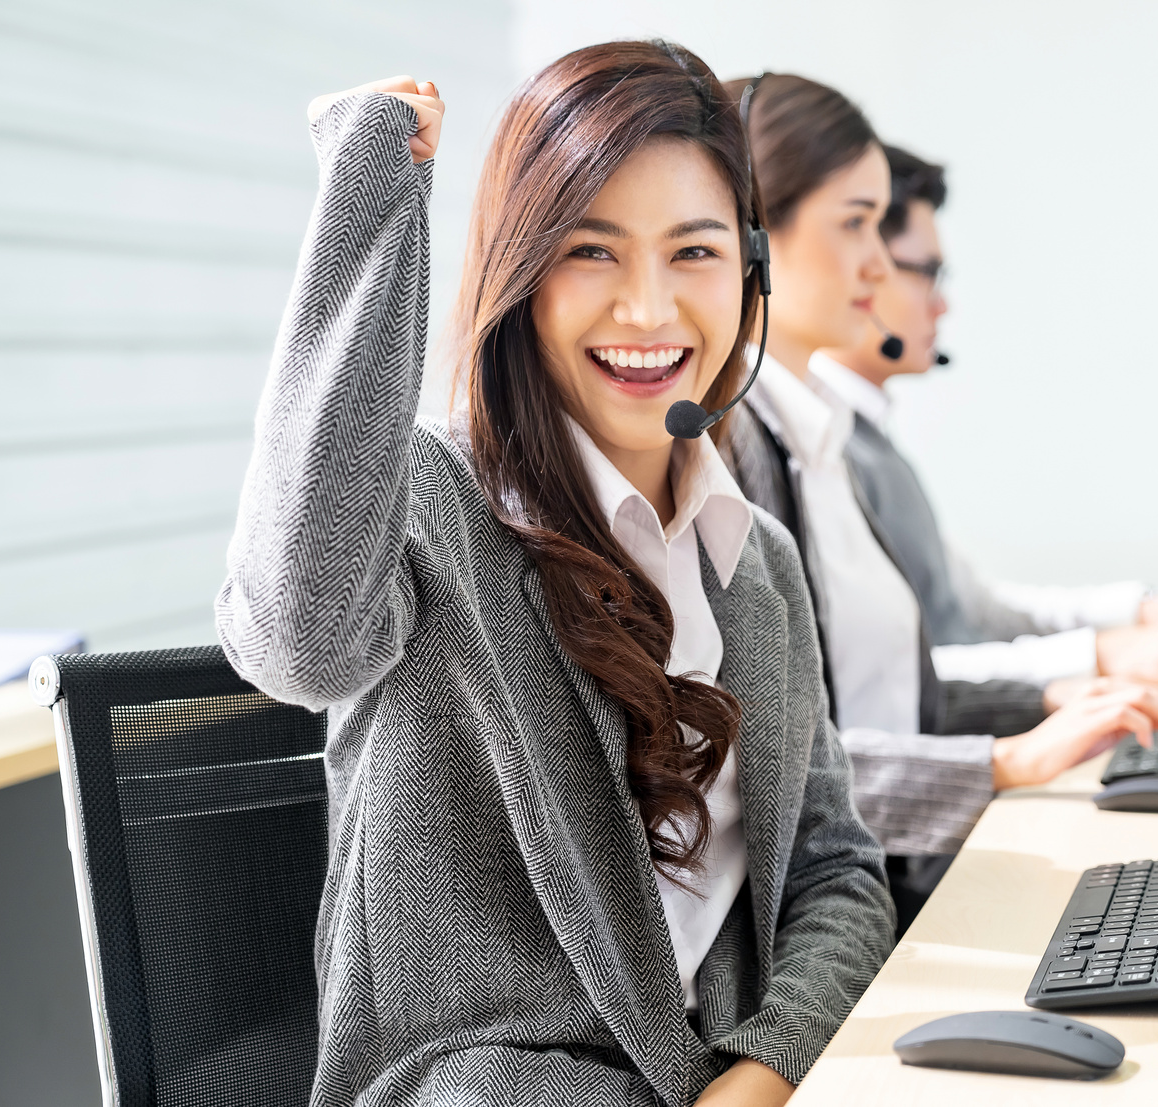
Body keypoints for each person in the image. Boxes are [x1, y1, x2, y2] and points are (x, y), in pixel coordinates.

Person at [215, 44, 893, 1107]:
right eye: (591, 252)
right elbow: (296, 638)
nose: (646, 311)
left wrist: (765, 1069)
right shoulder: (434, 504)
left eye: (695, 253)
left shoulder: (753, 557)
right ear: (522, 276)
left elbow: (835, 871)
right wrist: (371, 188)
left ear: (750, 271)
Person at [722, 73, 1158, 930]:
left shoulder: (817, 440)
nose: (879, 265)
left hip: (891, 865)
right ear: (752, 233)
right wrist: (1013, 750)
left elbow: (891, 692)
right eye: (855, 224)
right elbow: (772, 781)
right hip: (855, 898)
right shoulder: (738, 460)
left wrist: (1059, 698)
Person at [815, 145, 1158, 690]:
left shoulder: (865, 434)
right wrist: (1102, 655)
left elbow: (972, 611)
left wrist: (1138, 613)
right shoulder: (821, 448)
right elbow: (878, 681)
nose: (943, 307)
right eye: (928, 273)